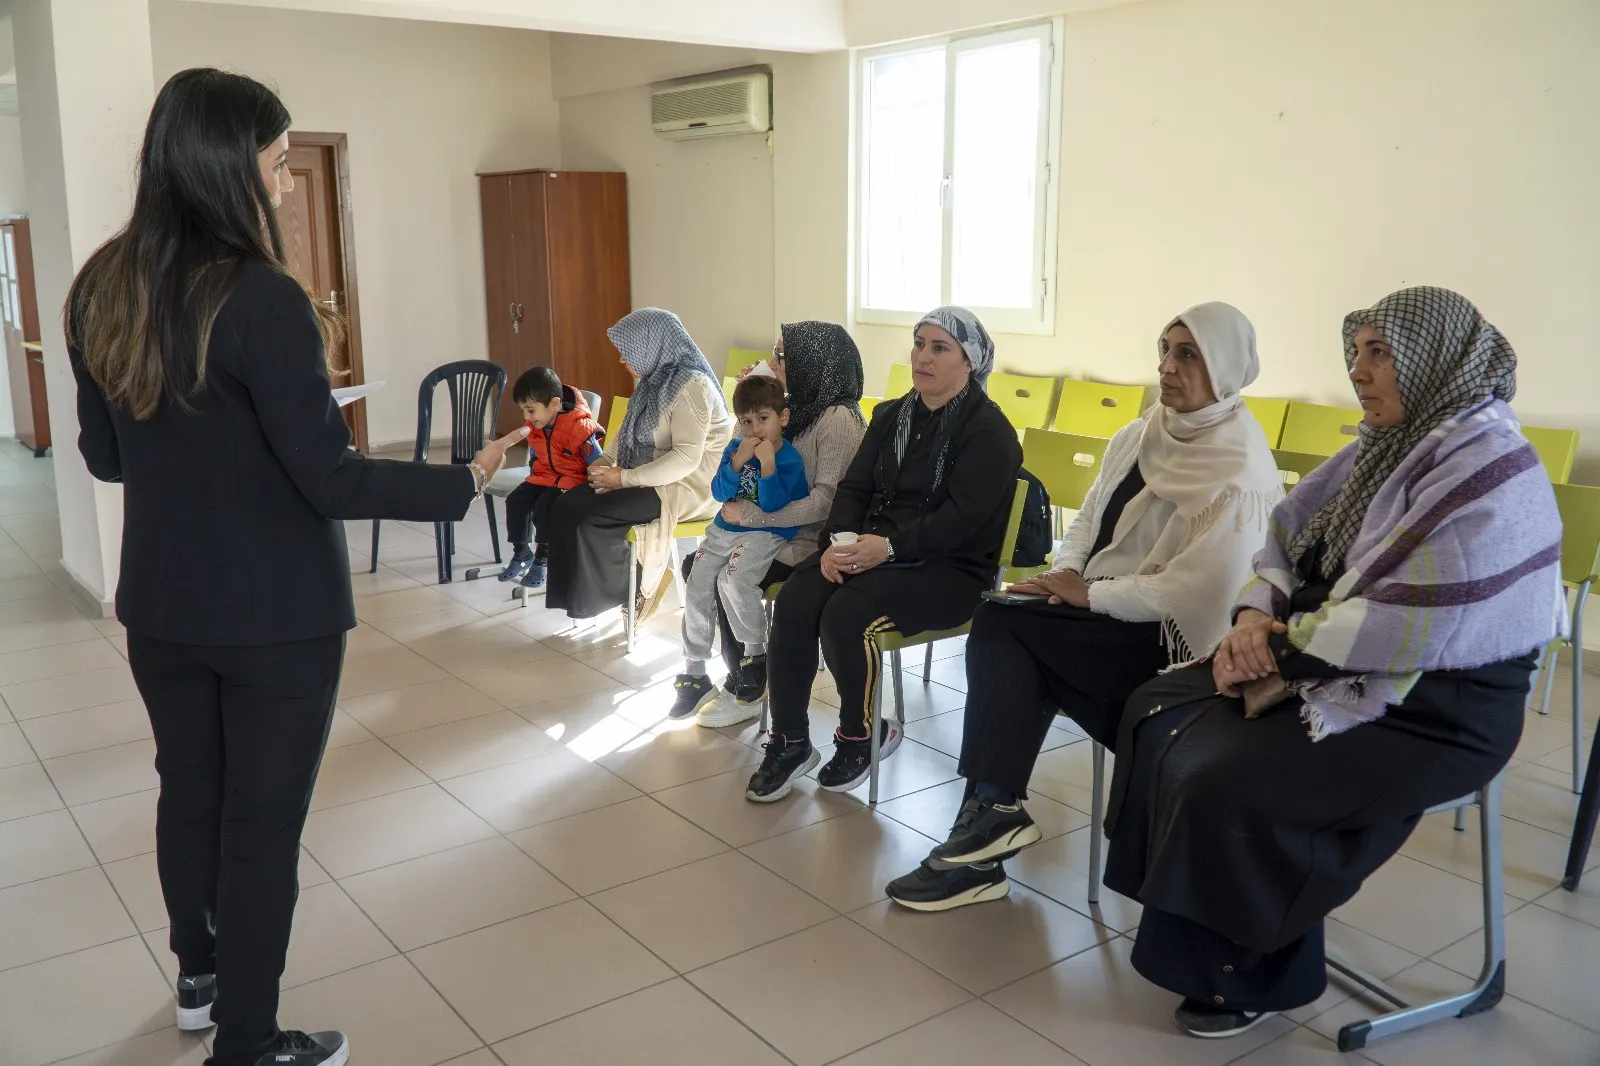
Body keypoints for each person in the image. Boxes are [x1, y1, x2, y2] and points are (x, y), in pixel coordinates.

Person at [66, 69, 528, 1066]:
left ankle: (198, 976)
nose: (283, 185)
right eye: (277, 164)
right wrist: (466, 477)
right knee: (260, 827)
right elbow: (329, 476)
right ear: (229, 165)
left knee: (187, 791)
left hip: (162, 605)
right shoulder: (262, 298)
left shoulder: (99, 285)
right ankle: (247, 1042)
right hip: (278, 618)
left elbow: (106, 458)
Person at [1102, 287, 1565, 1039]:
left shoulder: (1489, 468)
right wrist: (1255, 614)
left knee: (1230, 770)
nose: (1359, 371)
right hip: (1330, 653)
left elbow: (1412, 625)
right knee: (1157, 708)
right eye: (1356, 352)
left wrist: (1272, 647)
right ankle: (1223, 925)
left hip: (1439, 707)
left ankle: (1246, 971)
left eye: (1379, 353)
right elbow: (1283, 535)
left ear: (1433, 361)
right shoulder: (1388, 442)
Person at [885, 302, 1283, 912]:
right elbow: (1089, 520)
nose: (1166, 367)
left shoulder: (1239, 465)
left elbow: (1192, 593)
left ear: (1226, 367)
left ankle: (986, 829)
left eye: (1187, 354)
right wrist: (1066, 571)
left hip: (1170, 649)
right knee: (1008, 630)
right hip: (1097, 617)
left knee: (1005, 632)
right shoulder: (1141, 433)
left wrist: (1088, 593)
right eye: (1165, 350)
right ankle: (988, 820)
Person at [747, 307, 1023, 803]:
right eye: (919, 344)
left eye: (940, 348)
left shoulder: (990, 432)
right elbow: (853, 488)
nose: (923, 356)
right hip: (871, 547)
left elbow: (961, 519)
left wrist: (889, 547)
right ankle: (789, 742)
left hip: (948, 567)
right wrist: (836, 545)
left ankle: (860, 736)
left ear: (970, 361)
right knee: (797, 598)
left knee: (846, 613)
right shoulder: (892, 414)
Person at [683, 321, 868, 728]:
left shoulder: (837, 417)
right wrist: (748, 411)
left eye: (781, 356)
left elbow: (826, 501)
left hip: (807, 538)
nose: (772, 362)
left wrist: (757, 517)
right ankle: (744, 675)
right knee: (697, 566)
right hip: (765, 528)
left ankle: (750, 680)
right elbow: (742, 459)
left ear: (812, 362)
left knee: (731, 574)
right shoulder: (795, 406)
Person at [544, 308, 733, 621]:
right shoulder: (655, 381)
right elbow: (627, 431)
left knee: (594, 516)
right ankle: (576, 599)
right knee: (568, 505)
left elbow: (686, 459)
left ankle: (637, 593)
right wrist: (604, 461)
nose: (621, 360)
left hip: (687, 488)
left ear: (653, 346)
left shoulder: (693, 388)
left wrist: (625, 478)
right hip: (649, 477)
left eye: (627, 352)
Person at [671, 375, 811, 718]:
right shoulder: (736, 449)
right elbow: (718, 492)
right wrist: (736, 463)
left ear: (783, 418)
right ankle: (694, 671)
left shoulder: (789, 460)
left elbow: (775, 505)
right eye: (747, 422)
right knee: (698, 581)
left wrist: (766, 465)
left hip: (765, 534)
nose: (755, 429)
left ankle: (754, 656)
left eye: (764, 419)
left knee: (733, 581)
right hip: (724, 531)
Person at [499, 367, 603, 590]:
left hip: (573, 481)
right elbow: (537, 454)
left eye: (531, 410)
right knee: (516, 500)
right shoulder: (535, 426)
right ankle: (522, 552)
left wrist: (596, 489)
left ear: (554, 404)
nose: (526, 417)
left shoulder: (580, 428)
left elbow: (599, 461)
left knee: (544, 506)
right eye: (523, 411)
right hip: (545, 477)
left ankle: (543, 558)